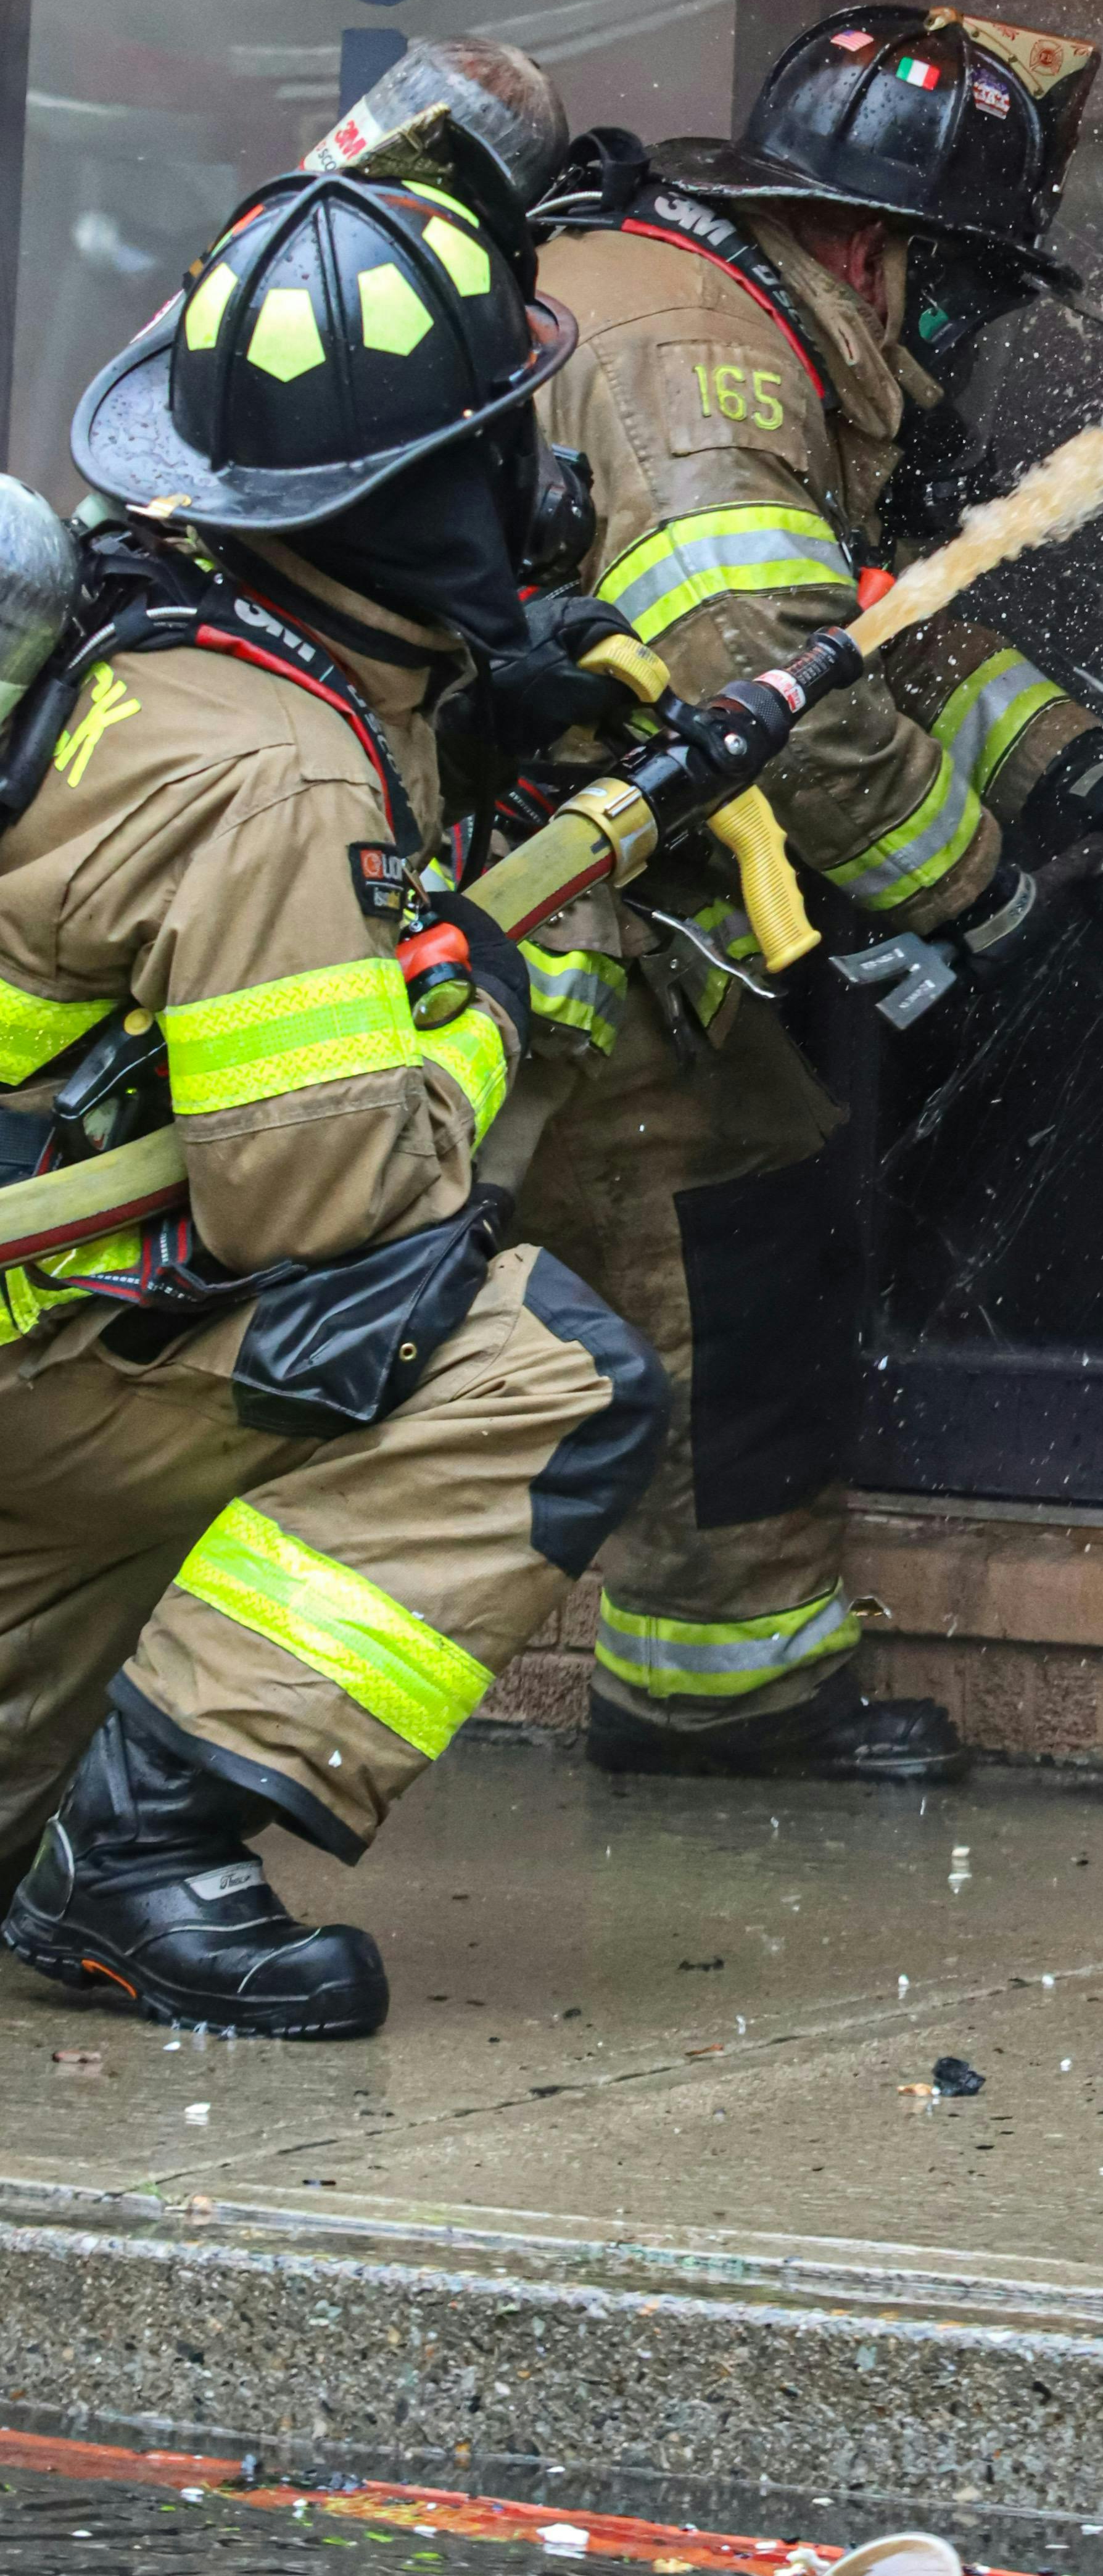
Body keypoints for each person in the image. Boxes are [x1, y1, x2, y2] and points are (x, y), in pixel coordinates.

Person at [418, 10, 1103, 1783]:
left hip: (566, 916)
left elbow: (863, 632)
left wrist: (1066, 763)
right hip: (542, 930)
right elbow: (758, 676)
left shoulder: (712, 314)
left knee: (734, 1250)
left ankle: (722, 1684)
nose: (956, 338)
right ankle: (710, 1698)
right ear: (865, 246)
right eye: (957, 294)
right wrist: (984, 898)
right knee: (715, 1272)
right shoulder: (712, 371)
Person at [0, 165, 669, 2038]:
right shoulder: (276, 772)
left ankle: (80, 1823)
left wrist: (478, 724)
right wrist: (490, 1001)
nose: (534, 475)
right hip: (61, 1359)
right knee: (541, 1372)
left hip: (37, 1343)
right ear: (421, 490)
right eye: (499, 438)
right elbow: (323, 1203)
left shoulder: (176, 639)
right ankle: (139, 1867)